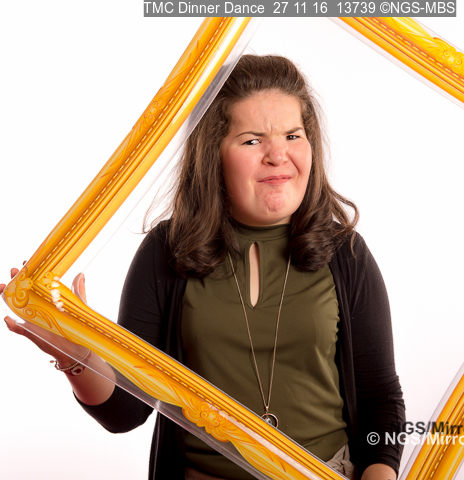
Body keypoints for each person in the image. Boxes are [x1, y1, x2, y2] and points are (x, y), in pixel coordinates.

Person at [2, 55, 405, 480]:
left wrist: (379, 475)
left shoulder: (347, 254)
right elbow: (126, 411)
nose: (278, 155)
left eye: (292, 135)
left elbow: (381, 399)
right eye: (252, 141)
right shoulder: (166, 251)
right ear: (213, 153)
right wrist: (78, 355)